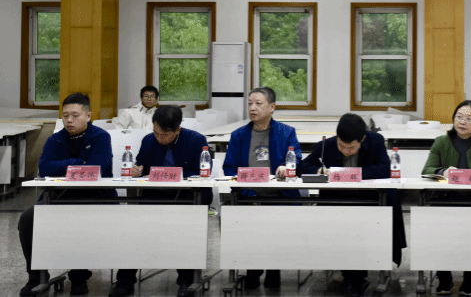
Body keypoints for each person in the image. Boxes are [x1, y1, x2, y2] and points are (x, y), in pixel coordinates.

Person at [109, 105, 214, 297]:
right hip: (155, 195)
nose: (159, 138)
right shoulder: (149, 140)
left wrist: (170, 174)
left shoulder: (196, 140)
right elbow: (142, 165)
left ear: (177, 130)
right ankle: (125, 281)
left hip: (187, 196)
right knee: (135, 230)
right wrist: (137, 170)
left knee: (184, 230)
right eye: (156, 132)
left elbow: (202, 173)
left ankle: (187, 281)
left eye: (164, 135)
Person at [299, 113, 406, 297]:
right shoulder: (327, 145)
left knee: (361, 226)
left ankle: (355, 279)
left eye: (351, 147)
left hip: (371, 202)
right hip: (338, 203)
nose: (345, 151)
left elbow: (385, 169)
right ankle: (353, 279)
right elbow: (302, 167)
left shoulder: (375, 140)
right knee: (342, 225)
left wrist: (348, 173)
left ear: (362, 139)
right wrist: (320, 170)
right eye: (341, 145)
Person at [18, 93, 114, 297]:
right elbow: (45, 168)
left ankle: (79, 277)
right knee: (28, 219)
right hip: (58, 197)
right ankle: (36, 277)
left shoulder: (100, 137)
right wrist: (78, 162)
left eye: (75, 115)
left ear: (88, 116)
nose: (69, 120)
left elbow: (95, 168)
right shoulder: (55, 139)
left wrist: (63, 167)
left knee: (79, 220)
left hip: (96, 197)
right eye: (65, 115)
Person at [222, 87, 302, 290]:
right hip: (248, 196)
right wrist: (249, 194)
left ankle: (273, 268)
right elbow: (229, 168)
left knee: (275, 225)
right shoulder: (239, 135)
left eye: (258, 104)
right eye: (250, 103)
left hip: (280, 196)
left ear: (272, 107)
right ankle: (253, 268)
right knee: (248, 225)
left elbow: (297, 159)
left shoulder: (286, 132)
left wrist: (287, 166)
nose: (252, 108)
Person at [421, 100, 471, 296]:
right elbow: (427, 169)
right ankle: (444, 278)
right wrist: (443, 172)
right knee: (441, 236)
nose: (462, 121)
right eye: (459, 117)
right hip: (445, 198)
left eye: (469, 118)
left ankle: (470, 278)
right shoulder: (441, 141)